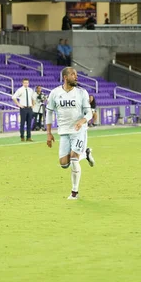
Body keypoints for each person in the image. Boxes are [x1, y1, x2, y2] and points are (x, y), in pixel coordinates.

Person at [46, 67, 96, 200]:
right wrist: (49, 133)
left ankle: (74, 193)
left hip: (79, 131)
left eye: (76, 74)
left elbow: (89, 112)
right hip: (64, 132)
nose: (76, 76)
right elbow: (49, 112)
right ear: (65, 77)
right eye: (73, 74)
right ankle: (85, 153)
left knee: (74, 159)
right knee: (64, 164)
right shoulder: (55, 93)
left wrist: (83, 120)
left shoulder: (82, 93)